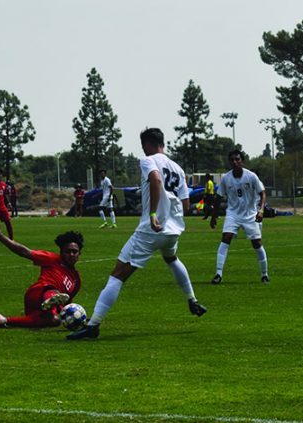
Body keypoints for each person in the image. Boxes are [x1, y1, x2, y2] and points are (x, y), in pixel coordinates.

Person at [67, 127, 206, 340]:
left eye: (143, 146)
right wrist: (171, 218)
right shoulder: (178, 168)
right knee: (171, 258)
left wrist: (153, 213)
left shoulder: (148, 160)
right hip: (173, 230)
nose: (143, 149)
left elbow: (156, 180)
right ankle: (192, 300)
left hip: (152, 229)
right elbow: (186, 203)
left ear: (148, 144)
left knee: (117, 275)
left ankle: (93, 325)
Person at [0, 226, 83, 329]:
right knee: (52, 291)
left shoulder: (76, 280)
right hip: (37, 295)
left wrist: (78, 319)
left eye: (75, 252)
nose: (71, 254)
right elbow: (24, 251)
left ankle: (3, 320)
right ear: (61, 252)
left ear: (79, 254)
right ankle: (51, 300)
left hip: (44, 308)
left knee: (54, 321)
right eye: (68, 251)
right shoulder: (51, 259)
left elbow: (67, 305)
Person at [210, 149, 269, 284]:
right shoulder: (226, 178)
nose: (235, 162)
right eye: (232, 160)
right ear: (229, 162)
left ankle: (264, 274)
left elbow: (263, 193)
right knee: (226, 238)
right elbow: (218, 197)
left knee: (257, 243)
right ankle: (218, 274)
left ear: (242, 161)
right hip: (233, 214)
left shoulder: (251, 176)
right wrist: (214, 216)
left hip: (250, 214)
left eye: (237, 159)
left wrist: (261, 210)